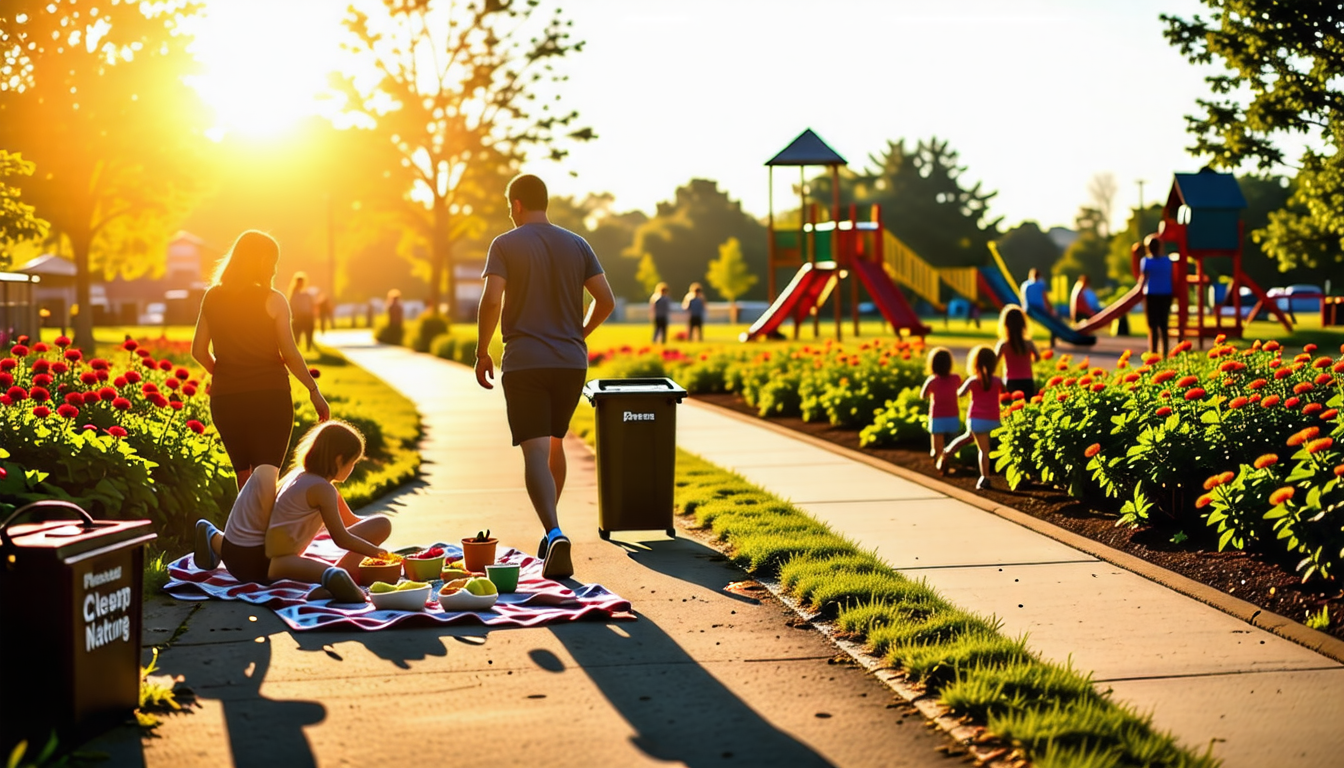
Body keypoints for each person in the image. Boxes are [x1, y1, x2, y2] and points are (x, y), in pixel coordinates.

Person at [474, 174, 616, 579]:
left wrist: (483, 350)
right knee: (556, 443)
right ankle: (551, 529)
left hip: (526, 362)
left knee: (535, 451)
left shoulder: (505, 244)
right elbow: (605, 300)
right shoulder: (577, 243)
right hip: (571, 362)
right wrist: (579, 334)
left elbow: (492, 299)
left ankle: (553, 532)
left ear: (516, 204)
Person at [191, 231, 329, 566]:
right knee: (266, 478)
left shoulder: (212, 297)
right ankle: (264, 555)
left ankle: (246, 549)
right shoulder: (273, 299)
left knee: (245, 479)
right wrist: (314, 392)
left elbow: (198, 352)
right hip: (270, 397)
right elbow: (291, 354)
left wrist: (226, 375)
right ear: (263, 262)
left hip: (226, 399)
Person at [264, 420, 392, 603]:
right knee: (336, 574)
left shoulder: (305, 478)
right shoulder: (322, 489)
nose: (352, 469)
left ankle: (338, 581)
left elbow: (351, 522)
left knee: (381, 523)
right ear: (339, 460)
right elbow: (342, 538)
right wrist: (381, 554)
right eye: (353, 462)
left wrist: (378, 530)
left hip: (283, 558)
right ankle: (333, 584)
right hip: (280, 562)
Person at [937, 345, 1003, 490]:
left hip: (976, 421)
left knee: (982, 450)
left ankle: (984, 478)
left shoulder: (973, 381)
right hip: (993, 420)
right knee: (976, 440)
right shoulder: (997, 382)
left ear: (974, 363)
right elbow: (1005, 393)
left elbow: (959, 394)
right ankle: (947, 452)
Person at [919, 347, 962, 462]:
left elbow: (922, 395)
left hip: (937, 416)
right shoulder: (956, 378)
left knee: (937, 439)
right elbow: (961, 391)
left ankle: (936, 454)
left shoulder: (932, 381)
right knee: (952, 441)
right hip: (953, 415)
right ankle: (948, 460)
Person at [1136, 236, 1173, 356]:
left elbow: (1143, 279)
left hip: (1151, 294)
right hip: (1166, 294)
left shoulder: (1146, 261)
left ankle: (1154, 351)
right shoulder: (1167, 261)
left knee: (1153, 325)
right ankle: (1166, 352)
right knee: (1164, 324)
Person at [996, 305, 1040, 399]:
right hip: (1027, 380)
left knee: (1012, 407)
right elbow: (1037, 357)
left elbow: (994, 361)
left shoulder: (1004, 344)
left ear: (1005, 324)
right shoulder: (1028, 343)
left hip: (1011, 381)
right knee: (1027, 406)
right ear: (1023, 324)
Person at [1019, 268, 1056, 347]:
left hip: (1028, 308)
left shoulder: (1025, 285)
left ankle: (1022, 340)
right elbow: (1045, 297)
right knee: (1053, 322)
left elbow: (1022, 298)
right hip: (1038, 308)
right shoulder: (1040, 284)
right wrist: (1051, 309)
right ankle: (1052, 341)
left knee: (1023, 325)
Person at [289, 272, 316, 352]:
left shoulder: (307, 294)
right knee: (296, 336)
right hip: (299, 317)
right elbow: (292, 306)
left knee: (309, 334)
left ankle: (308, 348)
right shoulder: (294, 294)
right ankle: (296, 349)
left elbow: (311, 305)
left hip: (307, 317)